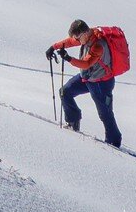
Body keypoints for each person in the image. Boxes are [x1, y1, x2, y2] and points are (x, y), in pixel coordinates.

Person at [46, 18, 122, 146]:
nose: (76, 40)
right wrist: (53, 47)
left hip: (101, 83)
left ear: (85, 33)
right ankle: (73, 121)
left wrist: (69, 58)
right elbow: (70, 42)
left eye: (78, 37)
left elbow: (86, 63)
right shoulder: (87, 36)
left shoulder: (98, 45)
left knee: (105, 113)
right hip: (88, 77)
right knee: (65, 92)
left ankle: (114, 141)